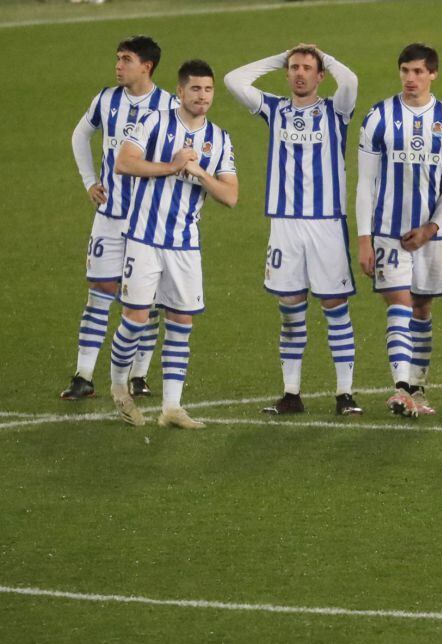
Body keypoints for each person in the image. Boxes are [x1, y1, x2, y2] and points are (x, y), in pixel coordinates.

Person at [224, 45, 363, 416]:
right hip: (284, 224)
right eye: (294, 68)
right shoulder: (274, 110)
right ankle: (291, 393)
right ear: (287, 74)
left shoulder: (337, 110)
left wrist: (325, 56)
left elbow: (350, 80)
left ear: (320, 76)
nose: (300, 73)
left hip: (326, 225)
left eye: (307, 68)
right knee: (289, 308)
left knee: (335, 306)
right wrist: (281, 55)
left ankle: (345, 393)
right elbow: (232, 80)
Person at [108, 59, 239, 429]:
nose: (202, 96)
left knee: (181, 322)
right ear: (180, 91)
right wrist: (172, 164)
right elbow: (125, 163)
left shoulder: (220, 138)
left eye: (208, 89)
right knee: (134, 320)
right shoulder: (154, 122)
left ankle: (172, 408)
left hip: (184, 243)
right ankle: (119, 388)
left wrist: (199, 173)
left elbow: (230, 196)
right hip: (144, 239)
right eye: (195, 89)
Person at [355, 43, 442, 417]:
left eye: (418, 72)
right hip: (389, 231)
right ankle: (401, 387)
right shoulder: (379, 118)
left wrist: (432, 227)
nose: (410, 79)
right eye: (405, 71)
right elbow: (365, 183)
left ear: (432, 74)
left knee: (422, 308)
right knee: (400, 303)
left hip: (431, 235)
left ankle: (418, 389)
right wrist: (364, 238)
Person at [63, 35, 176, 401]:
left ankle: (139, 375)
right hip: (109, 218)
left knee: (148, 300)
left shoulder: (168, 108)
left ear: (146, 66)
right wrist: (89, 181)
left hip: (147, 223)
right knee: (100, 293)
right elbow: (80, 136)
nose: (118, 65)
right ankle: (83, 375)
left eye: (125, 59)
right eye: (117, 58)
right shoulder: (107, 99)